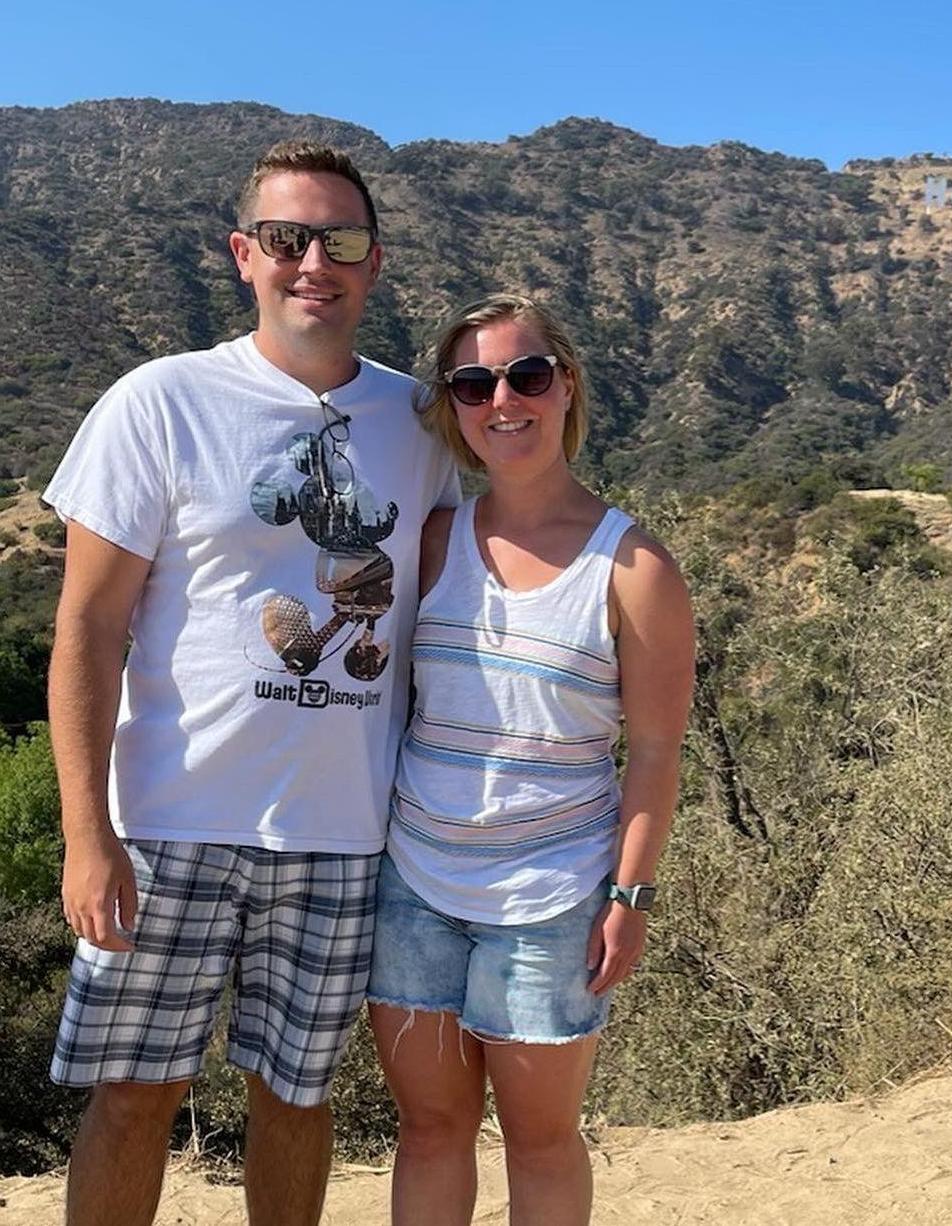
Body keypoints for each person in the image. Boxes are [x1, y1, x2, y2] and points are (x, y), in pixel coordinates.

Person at [43, 140, 458, 1226]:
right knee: (133, 1098)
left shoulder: (421, 425)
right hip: (167, 823)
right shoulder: (161, 401)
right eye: (286, 238)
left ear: (376, 262)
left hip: (340, 831)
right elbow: (87, 628)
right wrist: (85, 830)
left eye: (341, 239)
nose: (313, 260)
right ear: (244, 254)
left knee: (296, 1097)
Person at [367, 293, 695, 1226]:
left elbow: (657, 751)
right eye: (473, 383)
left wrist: (630, 897)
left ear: (566, 387)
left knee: (540, 1142)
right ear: (455, 408)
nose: (501, 400)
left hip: (552, 904)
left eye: (526, 375)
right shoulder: (433, 544)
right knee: (429, 1132)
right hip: (416, 889)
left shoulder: (633, 569)